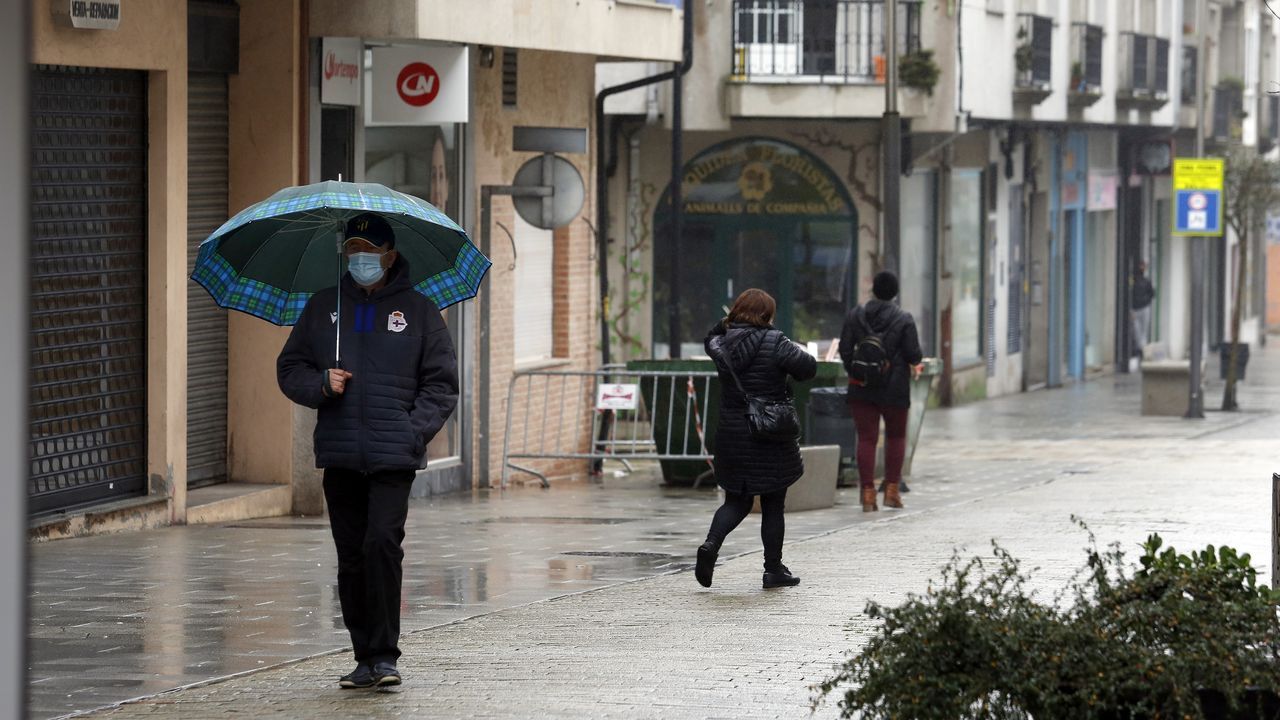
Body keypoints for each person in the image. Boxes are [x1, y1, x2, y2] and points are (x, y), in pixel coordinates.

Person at [277, 212, 459, 689]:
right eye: (353, 251)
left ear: (390, 256)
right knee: (352, 555)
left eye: (369, 252)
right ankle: (362, 657)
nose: (360, 260)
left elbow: (441, 385)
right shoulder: (323, 308)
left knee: (382, 545)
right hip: (340, 454)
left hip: (392, 456)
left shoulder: (420, 312)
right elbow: (290, 368)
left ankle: (385, 655)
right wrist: (321, 383)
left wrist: (411, 432)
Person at [694, 289, 817, 589]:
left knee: (736, 500)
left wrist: (726, 323)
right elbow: (808, 368)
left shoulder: (719, 343)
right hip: (768, 433)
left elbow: (711, 334)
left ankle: (711, 544)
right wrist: (777, 336)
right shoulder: (774, 341)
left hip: (732, 434)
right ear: (767, 316)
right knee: (774, 501)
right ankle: (773, 569)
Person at [839, 271, 923, 513]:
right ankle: (892, 493)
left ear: (873, 290)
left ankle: (867, 495)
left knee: (866, 439)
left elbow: (845, 350)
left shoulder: (855, 315)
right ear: (895, 293)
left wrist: (858, 372)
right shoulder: (904, 319)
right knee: (896, 437)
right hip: (895, 388)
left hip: (861, 386)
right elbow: (914, 355)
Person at [1131, 260, 1154, 360]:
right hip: (1136, 308)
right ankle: (1140, 350)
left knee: (1142, 331)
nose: (1142, 268)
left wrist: (1146, 301)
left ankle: (1142, 351)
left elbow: (1152, 293)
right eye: (1141, 266)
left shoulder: (1146, 281)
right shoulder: (1133, 280)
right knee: (1137, 331)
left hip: (1143, 307)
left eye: (1144, 266)